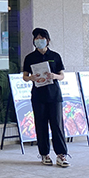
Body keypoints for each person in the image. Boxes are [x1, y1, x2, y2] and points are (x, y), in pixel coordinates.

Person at [22, 27, 69, 167]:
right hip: (38, 96)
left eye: (41, 38)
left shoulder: (55, 56)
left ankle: (61, 154)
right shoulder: (30, 57)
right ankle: (44, 154)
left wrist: (54, 76)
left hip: (54, 95)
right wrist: (31, 78)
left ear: (47, 40)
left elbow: (62, 75)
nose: (39, 40)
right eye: (36, 38)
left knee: (57, 125)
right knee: (41, 125)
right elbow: (24, 76)